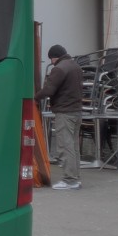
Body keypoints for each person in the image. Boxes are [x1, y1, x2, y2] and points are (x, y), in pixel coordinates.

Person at [35, 44, 84, 190]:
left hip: (65, 112)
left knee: (65, 146)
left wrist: (34, 97)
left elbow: (49, 89)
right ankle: (75, 177)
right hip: (76, 111)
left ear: (54, 57)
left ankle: (69, 180)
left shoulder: (59, 68)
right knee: (73, 146)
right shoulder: (75, 66)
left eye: (51, 59)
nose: (51, 62)